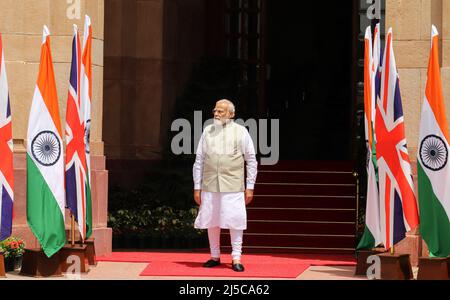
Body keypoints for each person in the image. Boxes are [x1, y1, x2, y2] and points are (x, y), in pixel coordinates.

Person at [193, 99, 258, 272]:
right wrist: (196, 187)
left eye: (221, 111)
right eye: (215, 110)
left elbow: (251, 160)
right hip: (209, 184)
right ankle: (215, 256)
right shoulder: (207, 131)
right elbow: (199, 160)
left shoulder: (241, 131)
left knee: (235, 221)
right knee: (211, 220)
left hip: (233, 185)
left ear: (231, 114)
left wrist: (250, 186)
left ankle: (236, 257)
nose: (216, 113)